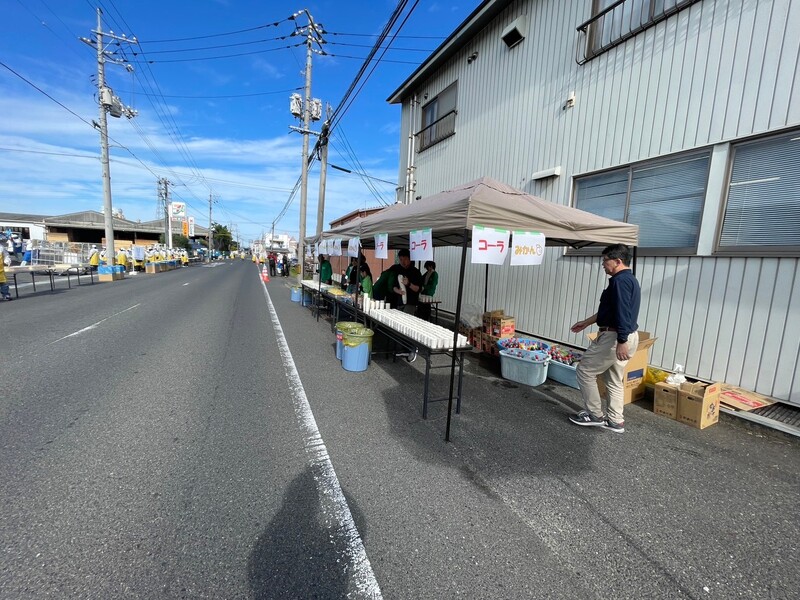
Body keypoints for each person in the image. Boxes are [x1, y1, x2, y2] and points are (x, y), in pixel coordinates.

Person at [568, 244, 641, 434]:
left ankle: (594, 415)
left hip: (615, 337)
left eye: (605, 260)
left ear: (617, 261)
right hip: (625, 335)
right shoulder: (628, 279)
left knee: (585, 371)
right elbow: (609, 310)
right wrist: (586, 322)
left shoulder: (620, 281)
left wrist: (622, 341)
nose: (602, 264)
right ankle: (616, 421)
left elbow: (622, 312)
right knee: (614, 379)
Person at [390, 249, 423, 313]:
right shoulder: (398, 270)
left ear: (409, 259)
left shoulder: (415, 272)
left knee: (405, 320)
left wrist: (409, 284)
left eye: (405, 259)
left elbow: (418, 289)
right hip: (399, 302)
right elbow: (394, 286)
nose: (403, 262)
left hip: (411, 303)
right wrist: (398, 291)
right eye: (401, 259)